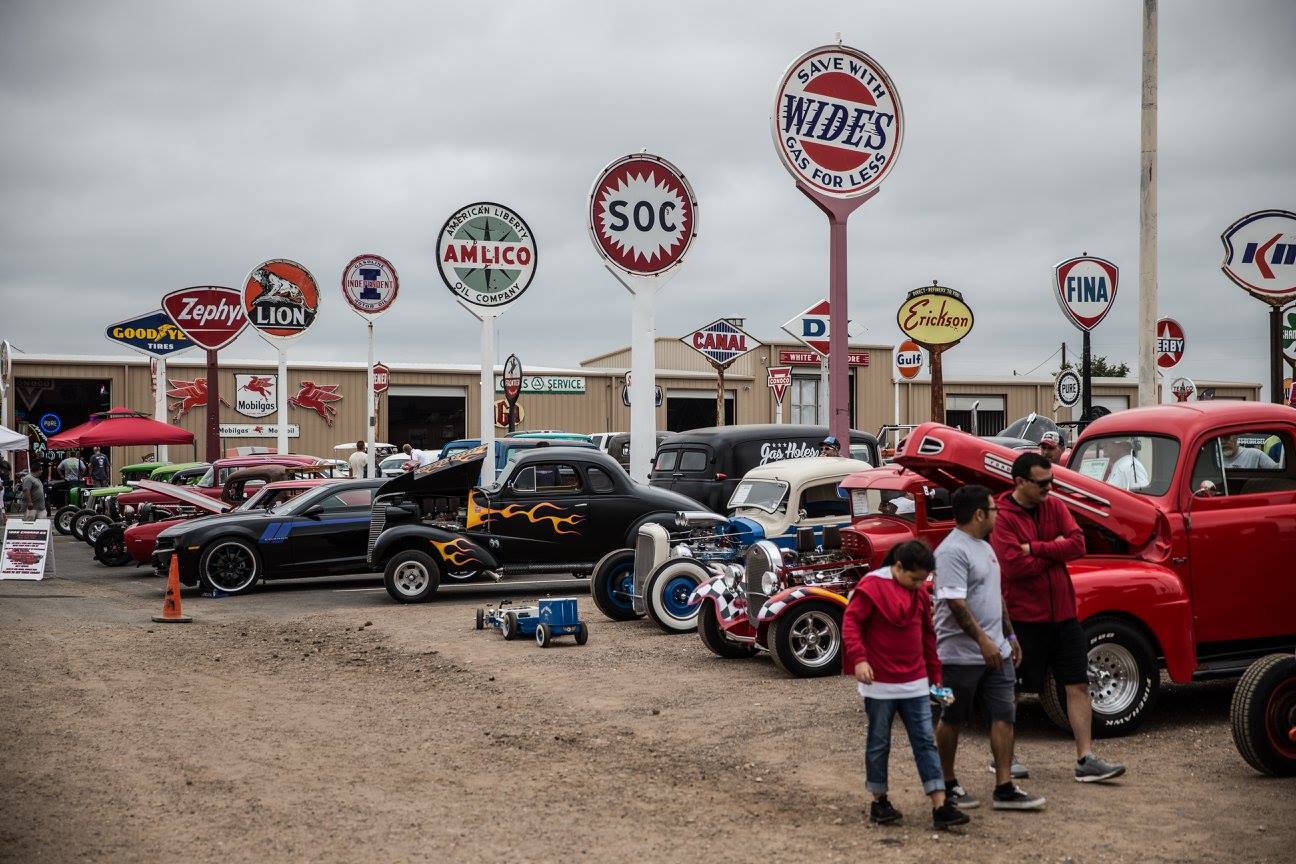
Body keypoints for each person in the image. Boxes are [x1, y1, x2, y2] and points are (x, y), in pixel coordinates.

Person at [991, 452, 1126, 782]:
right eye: (1042, 483)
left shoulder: (1054, 505)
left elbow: (1078, 544)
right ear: (1020, 482)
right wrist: (1054, 549)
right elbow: (1013, 566)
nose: (1049, 489)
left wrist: (1035, 548)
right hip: (1024, 618)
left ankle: (1086, 758)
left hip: (1064, 615)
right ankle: (1003, 759)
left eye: (1052, 481)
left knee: (1078, 684)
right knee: (1013, 689)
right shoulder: (1003, 515)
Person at [842, 539, 970, 831]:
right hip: (880, 685)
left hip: (915, 682)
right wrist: (860, 659)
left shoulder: (919, 594)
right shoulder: (871, 587)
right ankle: (880, 800)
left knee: (925, 741)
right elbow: (851, 624)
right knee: (879, 742)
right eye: (914, 579)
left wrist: (937, 678)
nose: (917, 585)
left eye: (923, 580)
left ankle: (940, 804)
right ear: (898, 567)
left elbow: (927, 636)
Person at [934, 485, 1044, 811]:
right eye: (994, 509)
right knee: (952, 717)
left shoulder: (985, 546)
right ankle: (947, 782)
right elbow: (954, 602)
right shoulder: (952, 551)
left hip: (998, 651)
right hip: (959, 655)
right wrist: (983, 641)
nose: (998, 514)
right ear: (979, 513)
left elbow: (995, 595)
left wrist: (1009, 636)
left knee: (1005, 715)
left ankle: (1005, 787)